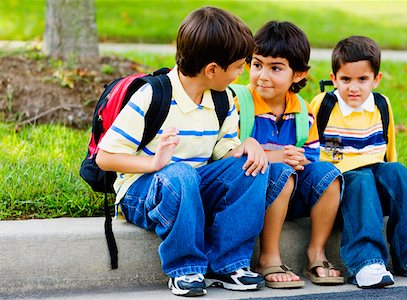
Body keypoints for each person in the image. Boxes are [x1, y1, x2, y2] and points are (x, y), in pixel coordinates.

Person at [96, 7, 296, 297]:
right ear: (212, 70)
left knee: (253, 165)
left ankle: (229, 263)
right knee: (180, 174)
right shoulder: (153, 95)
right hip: (143, 191)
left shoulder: (222, 99)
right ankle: (185, 267)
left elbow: (222, 150)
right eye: (239, 67)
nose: (242, 74)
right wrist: (155, 163)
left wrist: (244, 147)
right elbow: (105, 158)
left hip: (192, 185)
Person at [310, 35, 407, 288]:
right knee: (361, 178)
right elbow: (312, 152)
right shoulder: (324, 105)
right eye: (346, 79)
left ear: (376, 79)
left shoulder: (382, 104)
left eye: (362, 79)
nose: (354, 88)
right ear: (333, 79)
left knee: (397, 171)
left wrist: (390, 177)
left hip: (375, 177)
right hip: (342, 183)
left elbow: (389, 151)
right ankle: (366, 261)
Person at [232, 21, 344, 288]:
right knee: (281, 172)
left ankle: (316, 253)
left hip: (291, 193)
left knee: (330, 175)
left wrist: (300, 159)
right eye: (257, 65)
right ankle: (268, 257)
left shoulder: (303, 111)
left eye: (276, 68)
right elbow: (226, 157)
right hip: (252, 193)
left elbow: (311, 156)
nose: (263, 75)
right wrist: (275, 158)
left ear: (298, 75)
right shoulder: (238, 104)